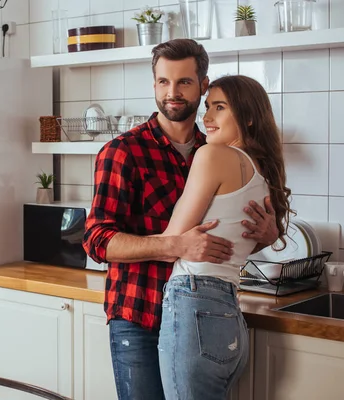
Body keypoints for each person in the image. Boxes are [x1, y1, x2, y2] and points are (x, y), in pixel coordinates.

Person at [82, 38, 279, 400]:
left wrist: (266, 234)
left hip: (198, 317)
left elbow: (233, 232)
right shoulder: (123, 152)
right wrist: (175, 244)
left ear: (203, 85)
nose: (172, 92)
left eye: (184, 82)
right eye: (163, 82)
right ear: (154, 84)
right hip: (138, 317)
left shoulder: (217, 150)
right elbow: (97, 239)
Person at [156, 74, 292, 400]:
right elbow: (249, 236)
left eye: (220, 107)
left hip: (194, 304)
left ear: (247, 116)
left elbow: (171, 241)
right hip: (229, 317)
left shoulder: (212, 155)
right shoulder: (263, 171)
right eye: (207, 107)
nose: (206, 118)